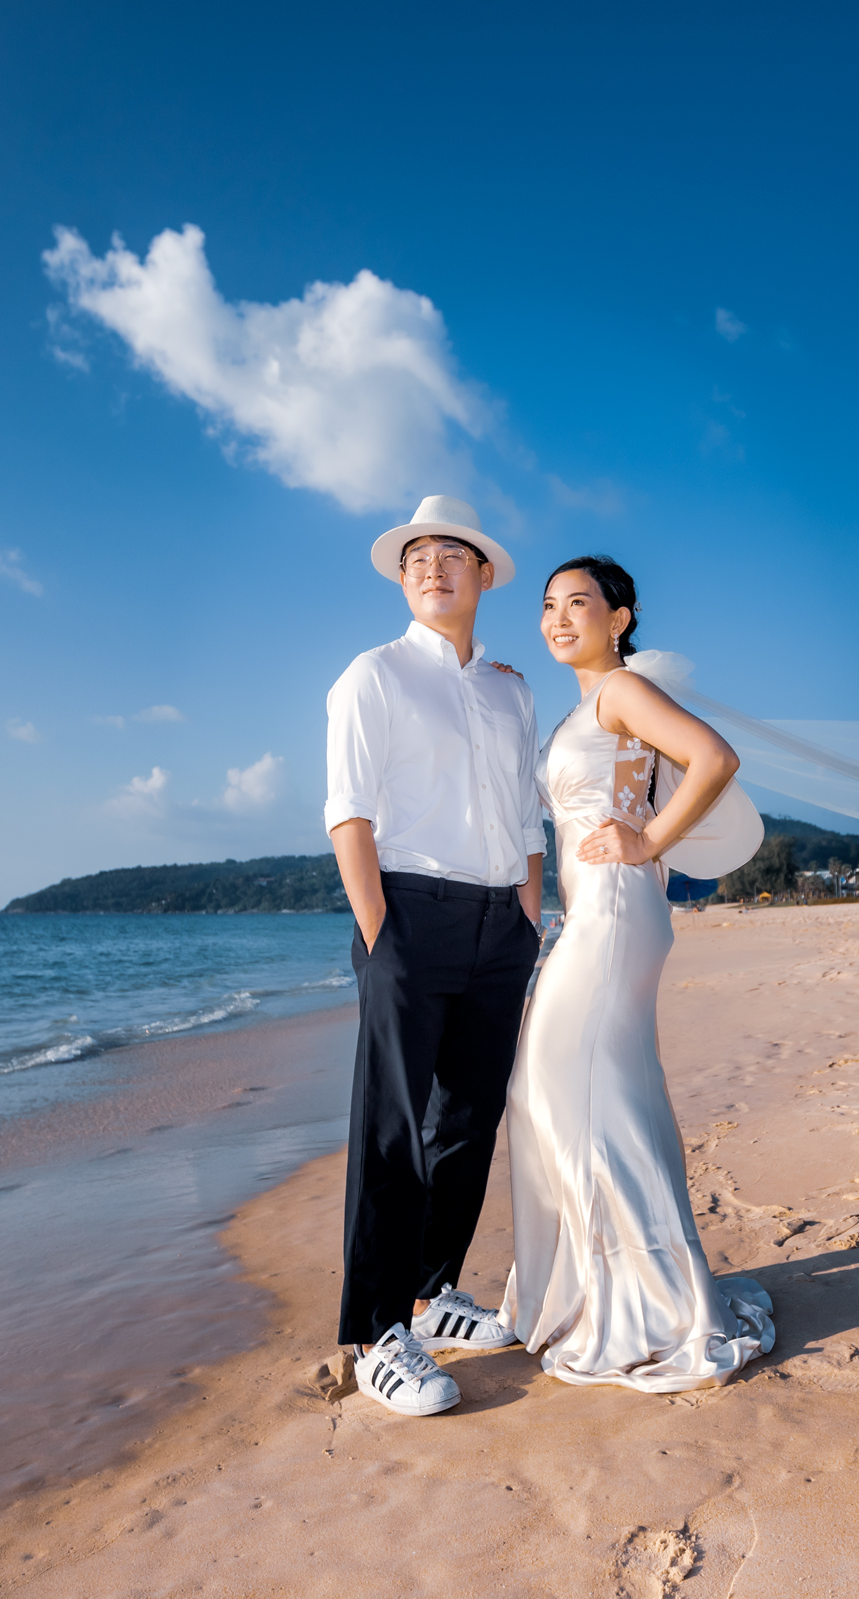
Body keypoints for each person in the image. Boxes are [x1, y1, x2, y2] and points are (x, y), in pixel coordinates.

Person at [502, 556, 776, 1390]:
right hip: (599, 914)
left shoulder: (620, 692)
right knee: (589, 1092)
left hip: (618, 908)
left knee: (562, 1086)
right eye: (548, 606)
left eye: (577, 603)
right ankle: (606, 1287)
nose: (558, 618)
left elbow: (713, 758)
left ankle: (642, 1302)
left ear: (621, 617)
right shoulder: (586, 706)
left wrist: (649, 841)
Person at [324, 495, 542, 1417]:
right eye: (417, 559)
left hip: (503, 922)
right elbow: (349, 812)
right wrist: (381, 929)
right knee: (391, 1126)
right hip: (410, 912)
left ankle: (434, 1291)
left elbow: (526, 813)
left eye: (452, 556)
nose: (432, 570)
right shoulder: (371, 676)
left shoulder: (512, 688)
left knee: (469, 1121)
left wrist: (529, 916)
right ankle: (374, 1333)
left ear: (483, 576)